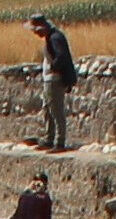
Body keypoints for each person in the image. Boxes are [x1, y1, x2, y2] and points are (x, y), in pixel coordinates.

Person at [27, 13, 78, 154]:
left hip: (54, 80)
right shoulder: (54, 36)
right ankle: (49, 139)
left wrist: (53, 67)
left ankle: (59, 142)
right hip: (50, 79)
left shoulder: (55, 38)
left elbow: (61, 56)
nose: (35, 33)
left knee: (56, 111)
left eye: (35, 30)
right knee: (48, 110)